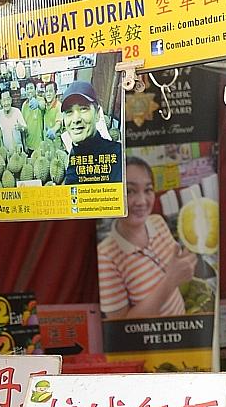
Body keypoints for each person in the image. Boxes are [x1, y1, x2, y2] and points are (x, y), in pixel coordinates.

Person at [98, 156, 193, 319]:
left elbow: (173, 269)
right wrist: (170, 281)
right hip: (151, 343)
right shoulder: (106, 256)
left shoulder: (158, 222)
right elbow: (119, 326)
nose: (141, 201)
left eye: (148, 189)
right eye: (129, 191)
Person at [60, 80, 121, 185]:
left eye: (83, 109)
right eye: (69, 112)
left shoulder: (119, 156)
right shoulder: (74, 157)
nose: (76, 119)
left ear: (97, 114)